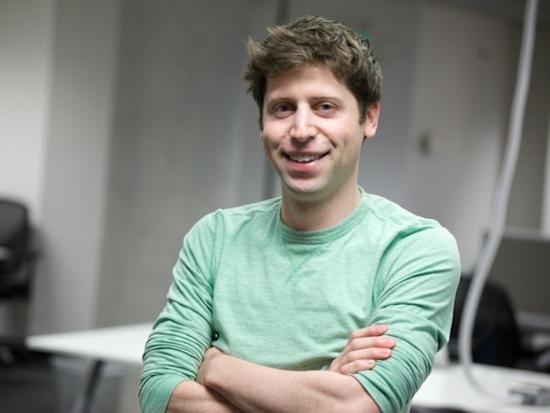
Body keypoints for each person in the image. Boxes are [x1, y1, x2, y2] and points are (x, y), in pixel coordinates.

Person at [139, 15, 460, 413]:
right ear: (262, 124)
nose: (302, 129)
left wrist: (218, 367)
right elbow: (159, 393)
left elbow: (355, 406)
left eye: (325, 107)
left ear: (370, 118)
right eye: (283, 108)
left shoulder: (415, 249)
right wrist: (320, 388)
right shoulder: (214, 237)